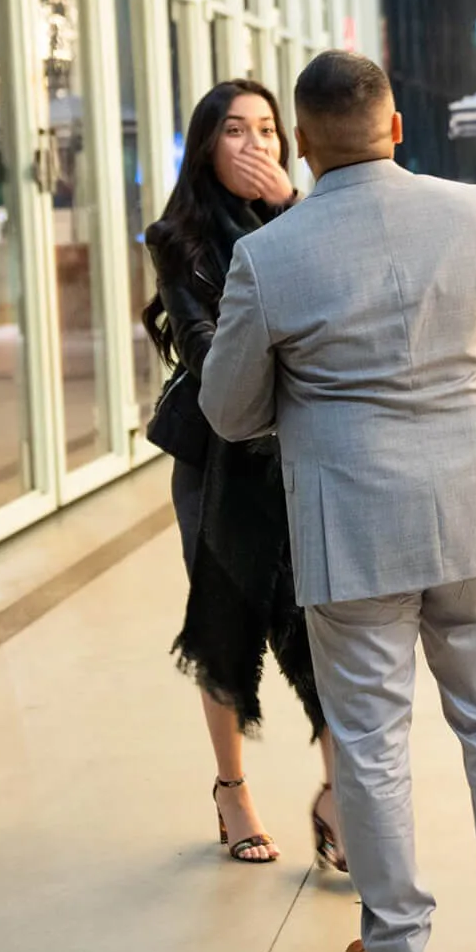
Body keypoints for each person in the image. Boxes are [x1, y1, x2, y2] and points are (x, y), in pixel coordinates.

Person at [201, 51, 476, 952]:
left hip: (352, 533)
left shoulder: (268, 255)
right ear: (398, 128)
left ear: (305, 145)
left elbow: (230, 411)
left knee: (369, 742)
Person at [141, 79, 345, 871]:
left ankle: (338, 793)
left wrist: (293, 206)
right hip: (220, 462)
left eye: (268, 128)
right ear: (206, 146)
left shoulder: (307, 219)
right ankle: (232, 788)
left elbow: (339, 301)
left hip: (300, 453)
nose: (256, 144)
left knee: (318, 622)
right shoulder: (176, 238)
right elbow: (208, 352)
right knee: (226, 619)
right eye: (236, 130)